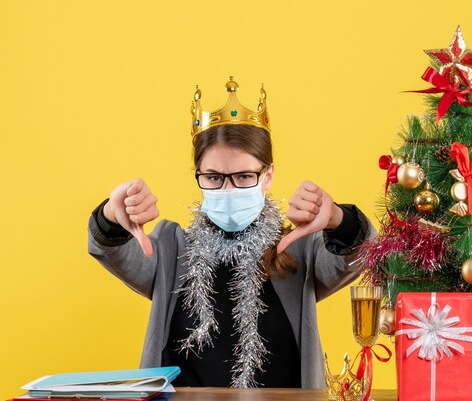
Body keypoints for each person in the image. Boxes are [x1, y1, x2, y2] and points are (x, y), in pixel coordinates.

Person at [87, 77, 375, 389]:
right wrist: (112, 215)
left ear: (268, 177)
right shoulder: (173, 250)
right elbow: (115, 250)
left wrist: (337, 218)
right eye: (213, 177)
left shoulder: (298, 250)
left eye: (243, 176)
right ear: (198, 175)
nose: (228, 188)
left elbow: (357, 255)